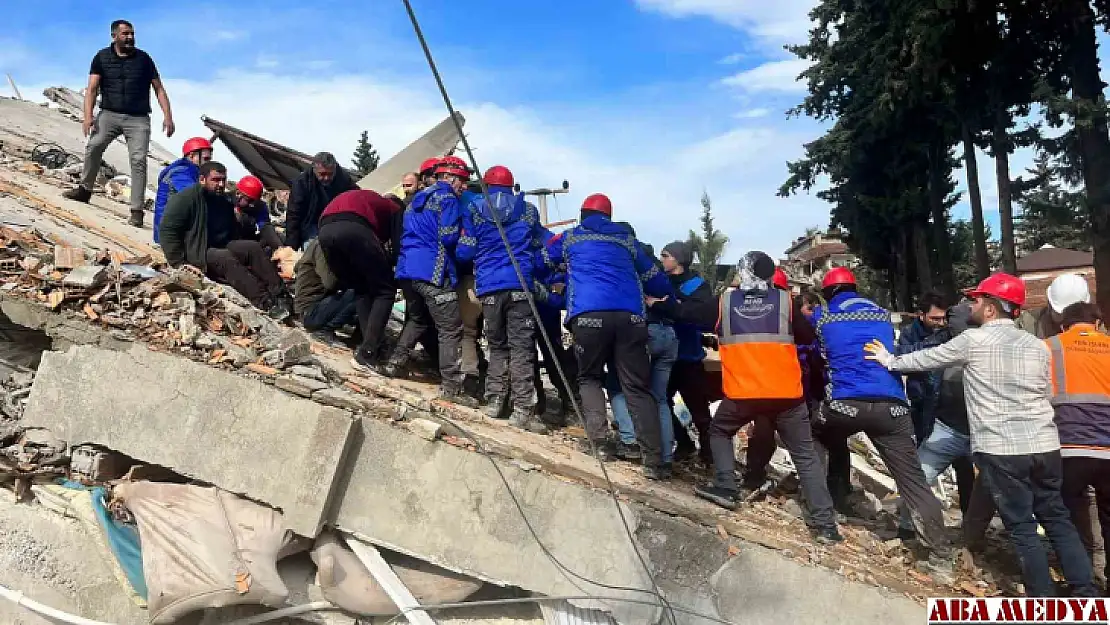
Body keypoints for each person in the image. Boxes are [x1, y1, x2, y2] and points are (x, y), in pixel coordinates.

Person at [865, 273, 1097, 597]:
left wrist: (890, 360)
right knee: (1056, 517)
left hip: (1002, 448)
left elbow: (928, 358)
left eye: (977, 300)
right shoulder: (1037, 346)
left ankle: (1042, 598)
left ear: (991, 308)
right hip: (1045, 446)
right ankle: (1085, 591)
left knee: (1022, 526)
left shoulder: (973, 341)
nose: (971, 305)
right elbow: (1046, 391)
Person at [683, 251, 841, 543]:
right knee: (805, 456)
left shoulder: (724, 303)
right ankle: (825, 526)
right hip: (787, 395)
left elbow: (688, 316)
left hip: (745, 393)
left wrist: (660, 304)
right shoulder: (786, 303)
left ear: (742, 273)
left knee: (719, 431)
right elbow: (807, 337)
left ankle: (726, 487)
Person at [811, 267, 953, 563]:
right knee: (913, 481)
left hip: (845, 405)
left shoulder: (823, 316)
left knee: (816, 434)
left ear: (829, 293)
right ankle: (941, 555)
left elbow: (816, 354)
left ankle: (825, 508)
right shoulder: (881, 314)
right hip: (893, 408)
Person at [544, 193, 672, 478]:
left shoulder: (571, 237)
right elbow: (655, 277)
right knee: (637, 387)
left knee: (589, 377)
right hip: (631, 319)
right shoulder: (628, 241)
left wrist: (558, 274)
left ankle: (600, 443)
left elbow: (543, 258)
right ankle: (654, 461)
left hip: (588, 316)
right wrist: (667, 294)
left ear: (582, 214)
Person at [456, 166, 547, 432]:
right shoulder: (528, 210)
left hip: (490, 288)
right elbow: (541, 242)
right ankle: (522, 410)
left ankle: (495, 401)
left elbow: (465, 250)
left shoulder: (474, 209)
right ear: (511, 186)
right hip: (520, 286)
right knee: (522, 349)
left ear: (486, 185)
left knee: (497, 346)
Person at [65, 19, 175, 228]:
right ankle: (84, 190)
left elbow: (159, 89)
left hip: (138, 118)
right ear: (114, 36)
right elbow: (92, 88)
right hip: (109, 114)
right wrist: (87, 116)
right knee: (94, 146)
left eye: (132, 33)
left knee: (138, 161)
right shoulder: (102, 57)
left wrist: (168, 116)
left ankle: (136, 211)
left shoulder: (144, 59)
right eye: (125, 34)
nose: (130, 37)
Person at [384, 156, 476, 407]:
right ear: (451, 178)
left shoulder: (416, 201)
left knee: (417, 318)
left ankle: (395, 363)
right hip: (432, 271)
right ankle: (452, 387)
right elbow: (447, 238)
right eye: (463, 182)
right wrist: (467, 239)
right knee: (451, 328)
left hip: (408, 270)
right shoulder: (448, 199)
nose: (464, 187)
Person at [160, 162, 292, 320]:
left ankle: (281, 294)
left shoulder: (222, 200)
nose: (221, 184)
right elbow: (168, 230)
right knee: (225, 258)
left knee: (252, 247)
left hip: (220, 243)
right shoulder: (185, 199)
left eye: (223, 180)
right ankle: (265, 302)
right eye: (215, 180)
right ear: (202, 179)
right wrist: (178, 263)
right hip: (197, 249)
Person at [1047, 302, 1110, 586]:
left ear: (1063, 325)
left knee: (1067, 513)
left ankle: (1081, 579)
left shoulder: (1049, 346)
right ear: (1097, 324)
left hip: (1068, 447)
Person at [607, 244, 680, 463]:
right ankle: (666, 457)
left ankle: (631, 442)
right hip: (669, 335)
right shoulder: (660, 275)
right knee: (660, 399)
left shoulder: (628, 270)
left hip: (645, 334)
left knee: (619, 387)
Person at [316, 190, 401, 371]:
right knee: (385, 290)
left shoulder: (367, 199)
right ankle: (368, 352)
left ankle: (366, 343)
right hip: (354, 228)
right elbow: (397, 246)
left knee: (361, 289)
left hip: (324, 230)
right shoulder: (395, 208)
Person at [652, 241, 717, 465]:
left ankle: (710, 455)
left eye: (665, 255)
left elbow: (698, 314)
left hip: (688, 356)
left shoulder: (698, 286)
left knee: (699, 412)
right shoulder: (660, 281)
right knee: (659, 402)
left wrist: (666, 304)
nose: (662, 260)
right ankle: (684, 444)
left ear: (678, 259)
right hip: (665, 356)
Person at [898, 291, 949, 445]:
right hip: (920, 398)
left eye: (943, 318)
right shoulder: (908, 333)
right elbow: (903, 362)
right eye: (935, 318)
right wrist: (932, 344)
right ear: (921, 315)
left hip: (945, 399)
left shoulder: (949, 331)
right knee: (921, 442)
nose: (940, 323)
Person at [285, 152, 358, 251]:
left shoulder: (344, 179)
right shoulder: (302, 183)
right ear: (314, 170)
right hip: (311, 223)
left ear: (335, 169)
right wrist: (290, 247)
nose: (326, 178)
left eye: (330, 174)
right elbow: (294, 215)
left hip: (335, 222)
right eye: (322, 174)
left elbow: (356, 198)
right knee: (313, 249)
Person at [294, 238, 356, 344]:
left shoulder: (316, 244)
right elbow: (330, 283)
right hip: (310, 312)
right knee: (358, 292)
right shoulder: (322, 247)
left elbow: (296, 268)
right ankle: (325, 331)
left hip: (307, 309)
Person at [153, 137, 212, 244]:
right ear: (192, 155)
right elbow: (196, 196)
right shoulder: (180, 173)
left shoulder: (191, 172)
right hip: (169, 237)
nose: (208, 163)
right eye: (206, 159)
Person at [1018, 273, 1091, 339]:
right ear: (1049, 304)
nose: (1068, 320)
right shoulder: (1028, 326)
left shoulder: (1096, 327)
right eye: (1063, 315)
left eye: (1075, 314)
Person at [233, 175, 283, 253]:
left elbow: (265, 227)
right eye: (249, 200)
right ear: (238, 194)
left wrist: (279, 247)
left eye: (255, 201)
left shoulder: (259, 206)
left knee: (279, 237)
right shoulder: (226, 202)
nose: (252, 204)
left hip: (250, 239)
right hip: (232, 242)